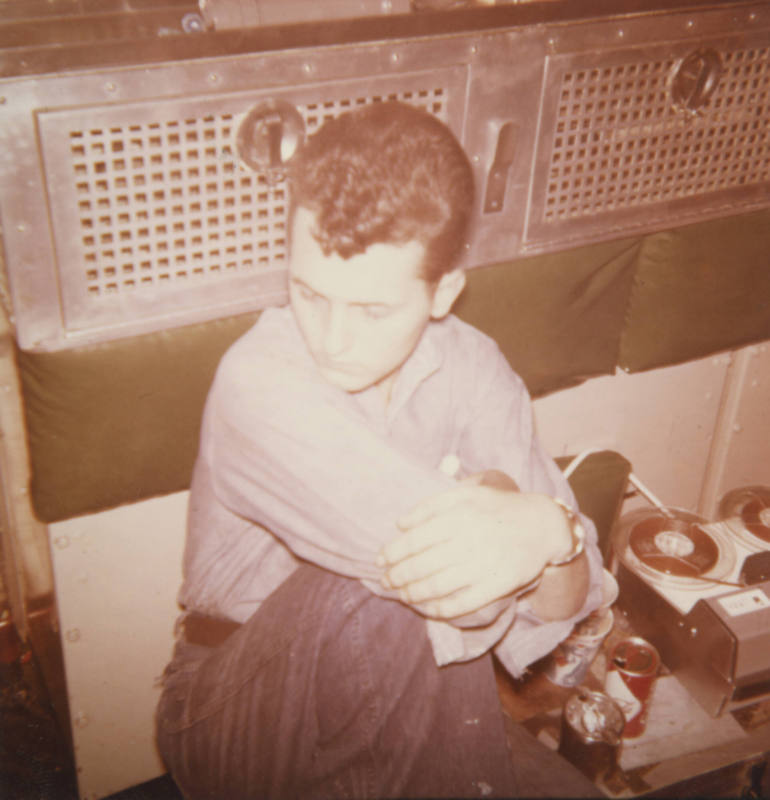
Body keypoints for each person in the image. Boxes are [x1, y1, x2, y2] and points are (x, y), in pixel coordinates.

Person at [156, 100, 604, 799]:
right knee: (386, 592)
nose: (331, 339)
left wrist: (556, 530)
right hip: (235, 706)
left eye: (371, 310)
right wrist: (516, 520)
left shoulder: (477, 368)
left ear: (443, 291)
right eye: (309, 294)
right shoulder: (259, 378)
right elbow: (461, 593)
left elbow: (564, 602)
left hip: (410, 690)